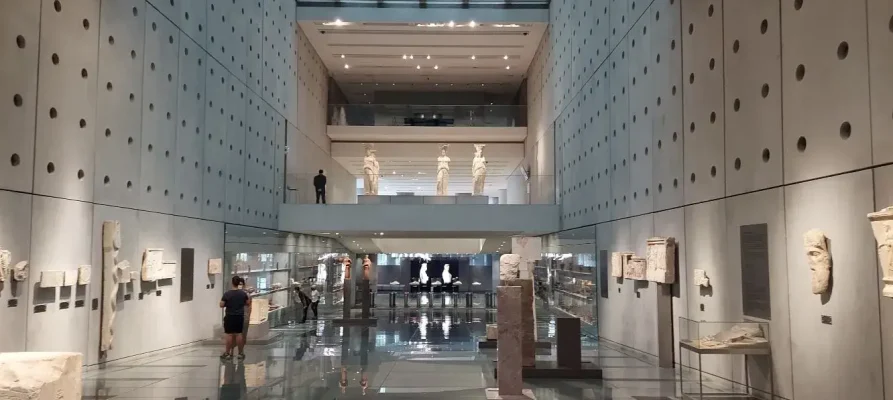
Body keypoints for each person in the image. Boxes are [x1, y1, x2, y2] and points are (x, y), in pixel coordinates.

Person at [220, 276, 251, 360]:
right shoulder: (243, 294)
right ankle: (240, 353)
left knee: (229, 335)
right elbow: (248, 303)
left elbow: (221, 305)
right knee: (239, 334)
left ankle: (227, 353)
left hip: (230, 316)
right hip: (239, 316)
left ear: (232, 283)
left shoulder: (227, 294)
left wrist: (228, 303)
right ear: (239, 284)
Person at [239, 277, 251, 357]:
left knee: (243, 335)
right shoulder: (232, 293)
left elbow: (249, 305)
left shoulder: (247, 294)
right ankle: (232, 351)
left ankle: (241, 351)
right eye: (238, 284)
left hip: (244, 316)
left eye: (241, 284)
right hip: (236, 317)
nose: (239, 286)